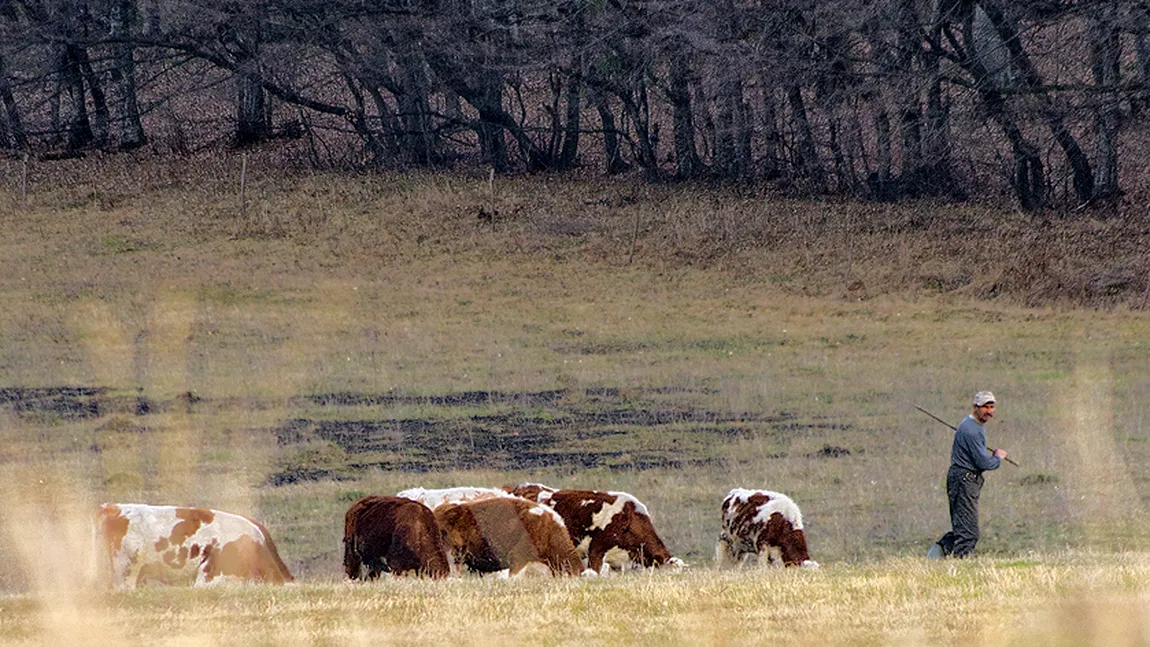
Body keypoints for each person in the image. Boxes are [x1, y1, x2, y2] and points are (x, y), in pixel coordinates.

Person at [927, 391, 1008, 559]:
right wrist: (997, 458)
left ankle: (935, 557)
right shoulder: (972, 430)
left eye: (992, 407)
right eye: (985, 407)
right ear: (975, 407)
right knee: (968, 534)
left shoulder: (971, 426)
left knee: (962, 529)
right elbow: (984, 463)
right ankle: (959, 568)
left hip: (961, 479)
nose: (990, 411)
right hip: (965, 480)